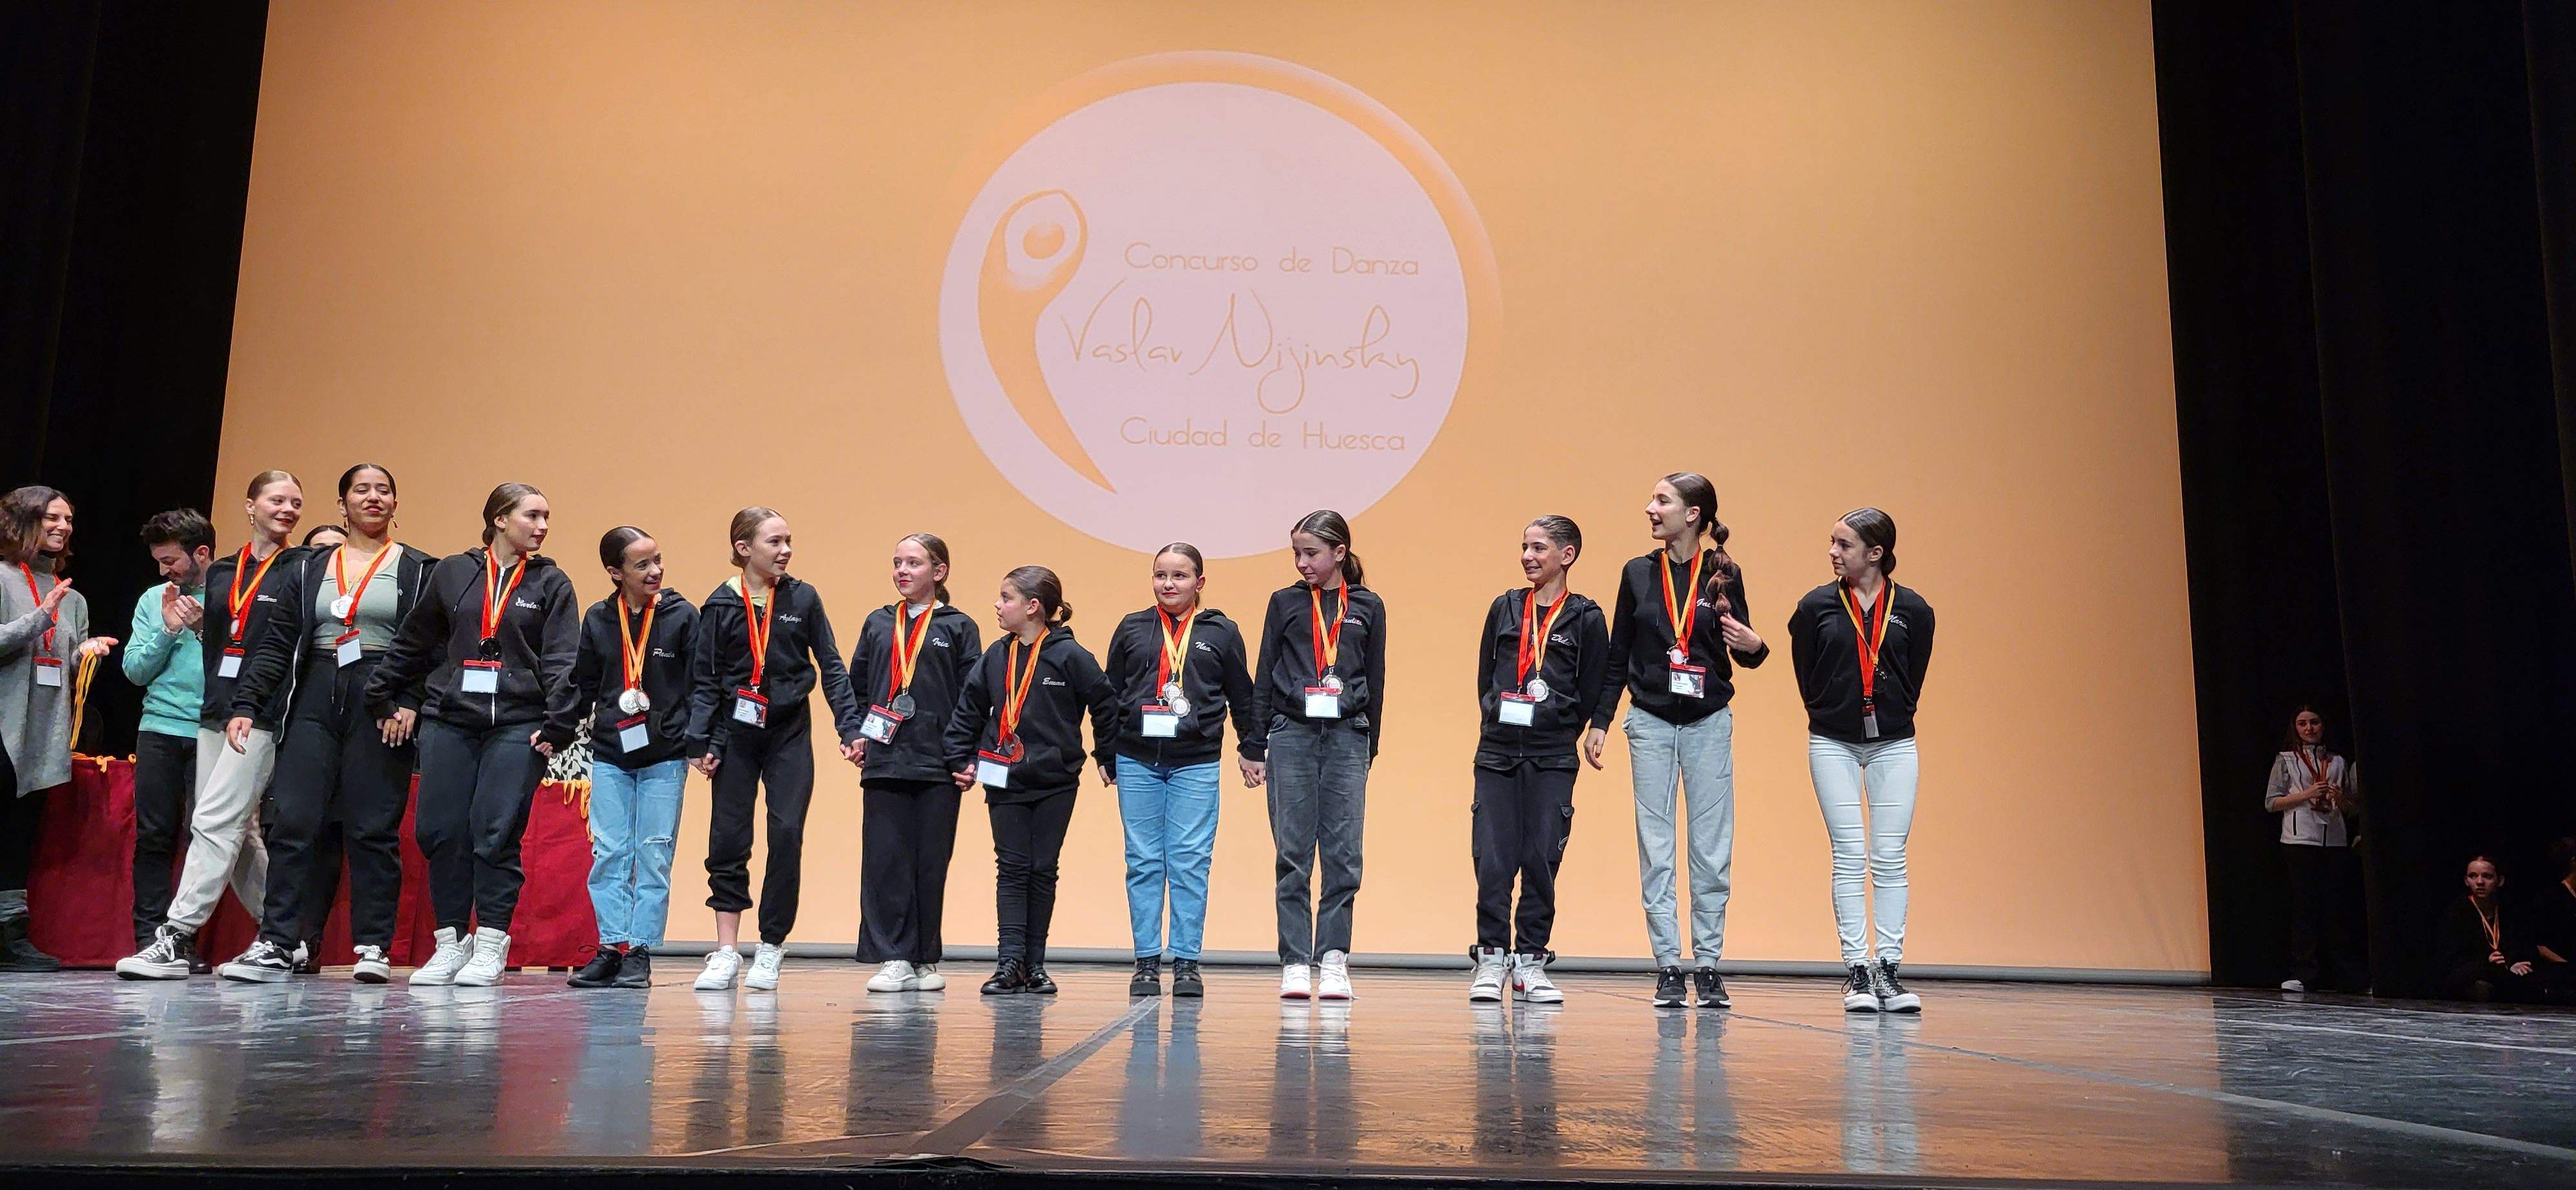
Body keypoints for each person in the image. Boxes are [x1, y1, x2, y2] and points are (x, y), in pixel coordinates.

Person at [212, 465, 436, 984]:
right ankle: (276, 941)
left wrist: (410, 699)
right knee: (292, 820)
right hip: (314, 691)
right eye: (362, 490)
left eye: (384, 490)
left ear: (396, 504)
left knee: (372, 827)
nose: (373, 498)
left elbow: (432, 647)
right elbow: (277, 640)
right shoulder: (311, 567)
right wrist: (247, 703)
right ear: (342, 504)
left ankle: (374, 947)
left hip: (381, 699)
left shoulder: (419, 568)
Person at [361, 482, 579, 987]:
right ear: (500, 519)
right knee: (441, 831)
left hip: (519, 723)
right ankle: (451, 942)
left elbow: (563, 659)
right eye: (533, 516)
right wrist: (381, 693)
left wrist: (559, 723)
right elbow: (415, 641)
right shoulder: (454, 572)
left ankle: (491, 943)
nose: (543, 526)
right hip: (450, 718)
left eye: (547, 517)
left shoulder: (552, 583)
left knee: (495, 831)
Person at [115, 473, 306, 979]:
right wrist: (199, 630)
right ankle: (287, 936)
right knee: (236, 833)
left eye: (295, 502)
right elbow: (220, 644)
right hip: (214, 711)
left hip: (262, 712)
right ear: (251, 506)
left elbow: (281, 646)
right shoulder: (225, 573)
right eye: (276, 499)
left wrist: (252, 699)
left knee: (213, 822)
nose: (287, 508)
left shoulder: (303, 569)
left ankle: (176, 936)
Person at [1592, 473, 1768, 1010]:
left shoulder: (1724, 573)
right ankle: (1669, 964)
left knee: (1711, 848)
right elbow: (1618, 651)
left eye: (1662, 501)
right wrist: (1600, 720)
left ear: (1693, 514)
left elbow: (1746, 651)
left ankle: (1708, 965)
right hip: (1648, 720)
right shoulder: (1636, 573)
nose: (1650, 508)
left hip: (1708, 721)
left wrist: (1753, 644)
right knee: (1657, 845)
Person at [685, 506, 864, 994]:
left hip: (788, 732)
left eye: (789, 541)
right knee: (728, 838)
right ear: (744, 549)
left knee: (786, 834)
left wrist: (850, 728)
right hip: (735, 736)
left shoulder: (803, 598)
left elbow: (830, 665)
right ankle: (726, 950)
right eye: (775, 542)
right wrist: (701, 742)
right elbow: (705, 680)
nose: (786, 550)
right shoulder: (720, 605)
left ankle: (770, 946)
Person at [942, 565, 1115, 996]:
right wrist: (959, 757)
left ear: (1033, 607)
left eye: (1006, 598)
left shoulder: (1070, 656)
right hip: (1005, 779)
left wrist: (1104, 755)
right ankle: (1009, 962)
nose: (998, 606)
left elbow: (1106, 704)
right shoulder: (996, 657)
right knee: (1013, 869)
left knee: (1042, 869)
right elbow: (968, 710)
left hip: (1056, 780)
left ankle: (1035, 964)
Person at [1789, 507, 1934, 1014]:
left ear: (1876, 553)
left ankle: (1889, 970)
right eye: (1832, 542)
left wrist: (1891, 709)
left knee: (1890, 857)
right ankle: (1857, 972)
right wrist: (1829, 709)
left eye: (1844, 545)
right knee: (1849, 855)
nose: (1833, 552)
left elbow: (1914, 672)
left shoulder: (1913, 609)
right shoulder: (1815, 607)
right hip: (1833, 742)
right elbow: (1805, 671)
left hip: (1894, 742)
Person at [1101, 543, 1259, 998]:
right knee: (1144, 861)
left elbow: (1242, 696)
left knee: (1190, 862)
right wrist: (1106, 753)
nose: (1168, 584)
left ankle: (1187, 962)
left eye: (1179, 576)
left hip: (1196, 761)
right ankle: (1146, 962)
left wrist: (1252, 748)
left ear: (1200, 583)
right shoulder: (1133, 628)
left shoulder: (1222, 632)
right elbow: (1111, 694)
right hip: (1136, 759)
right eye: (1160, 576)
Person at [1470, 516, 1611, 1005]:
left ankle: (1531, 960)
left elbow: (1592, 688)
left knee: (1541, 858)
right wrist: (1497, 713)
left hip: (1552, 755)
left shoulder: (1586, 617)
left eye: (1539, 548)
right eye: (1524, 547)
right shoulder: (1505, 608)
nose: (1528, 556)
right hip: (1498, 753)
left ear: (1567, 555)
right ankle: (1491, 959)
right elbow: (1487, 676)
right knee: (1494, 857)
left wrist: (1560, 728)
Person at [547, 527, 696, 991]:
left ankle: (641, 950)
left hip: (664, 756)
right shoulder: (598, 618)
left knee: (653, 852)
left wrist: (691, 737)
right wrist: (556, 730)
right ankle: (611, 947)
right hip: (612, 752)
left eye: (658, 560)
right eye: (642, 565)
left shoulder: (682, 616)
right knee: (610, 852)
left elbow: (698, 686)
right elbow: (584, 684)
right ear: (615, 573)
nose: (656, 571)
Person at [1253, 510, 1386, 1001]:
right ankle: (1293, 961)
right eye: (1297, 554)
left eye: (1311, 553)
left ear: (1339, 554)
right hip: (1291, 734)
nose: (1302, 563)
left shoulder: (1368, 606)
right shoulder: (1285, 603)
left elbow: (1376, 678)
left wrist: (1370, 744)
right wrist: (1254, 743)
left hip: (1348, 735)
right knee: (1292, 853)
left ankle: (1332, 958)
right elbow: (1265, 672)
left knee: (1343, 853)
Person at [849, 533, 980, 994]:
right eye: (897, 562)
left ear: (939, 572)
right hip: (885, 758)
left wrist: (968, 757)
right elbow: (857, 686)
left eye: (914, 563)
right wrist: (856, 734)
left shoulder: (959, 626)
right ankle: (893, 957)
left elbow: (974, 698)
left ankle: (924, 957)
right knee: (885, 861)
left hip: (939, 763)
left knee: (930, 862)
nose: (903, 571)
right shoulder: (879, 623)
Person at [0, 487, 116, 971]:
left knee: (18, 834)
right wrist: (38, 617)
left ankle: (9, 934)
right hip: (3, 723)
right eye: (51, 517)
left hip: (42, 730)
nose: (63, 527)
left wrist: (85, 653)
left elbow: (65, 658)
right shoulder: (3, 578)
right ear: (22, 521)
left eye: (69, 519)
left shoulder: (74, 596)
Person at [121, 509, 214, 952]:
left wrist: (202, 629)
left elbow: (244, 667)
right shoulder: (153, 599)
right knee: (154, 834)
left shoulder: (231, 595)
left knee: (205, 836)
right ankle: (148, 937)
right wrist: (167, 629)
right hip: (158, 728)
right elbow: (135, 671)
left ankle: (182, 939)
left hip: (212, 732)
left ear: (201, 553)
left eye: (171, 560)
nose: (165, 571)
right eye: (159, 561)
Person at [2264, 705, 2367, 993]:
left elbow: (2352, 809)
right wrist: (2306, 794)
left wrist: (2340, 799)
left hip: (2333, 840)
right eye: (2303, 724)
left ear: (2324, 726)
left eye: (2315, 723)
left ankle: (2348, 977)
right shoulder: (2286, 760)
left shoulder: (2337, 761)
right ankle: (2305, 973)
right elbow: (2271, 803)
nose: (2309, 729)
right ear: (2295, 728)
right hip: (2299, 841)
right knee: (2305, 910)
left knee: (2337, 911)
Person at [286, 521, 350, 973]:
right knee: (289, 830)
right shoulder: (302, 589)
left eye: (337, 550)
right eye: (320, 551)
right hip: (297, 716)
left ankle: (308, 939)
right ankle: (278, 935)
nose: (329, 557)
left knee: (330, 838)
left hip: (352, 719)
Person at [2437, 855, 2551, 1003]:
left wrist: (2512, 963)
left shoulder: (2508, 910)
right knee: (2483, 985)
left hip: (2502, 973)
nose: (2479, 882)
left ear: (2500, 881)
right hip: (2471, 974)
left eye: (2487, 876)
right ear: (2466, 881)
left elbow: (2520, 945)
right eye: (2473, 876)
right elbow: (2451, 959)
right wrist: (2486, 961)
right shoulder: (2457, 912)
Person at [2540, 837, 2576, 969]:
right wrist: (2568, 968)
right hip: (2562, 975)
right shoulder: (2552, 897)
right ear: (2574, 862)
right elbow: (2541, 946)